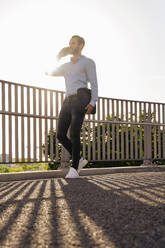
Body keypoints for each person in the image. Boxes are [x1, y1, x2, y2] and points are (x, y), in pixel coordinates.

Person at [46, 35, 98, 178]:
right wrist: (57, 57)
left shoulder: (87, 62)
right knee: (61, 135)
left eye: (73, 43)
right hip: (67, 101)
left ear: (81, 45)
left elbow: (94, 83)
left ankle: (74, 168)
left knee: (74, 133)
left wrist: (93, 102)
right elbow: (48, 72)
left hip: (80, 99)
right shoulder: (66, 66)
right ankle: (79, 159)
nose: (71, 45)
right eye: (69, 43)